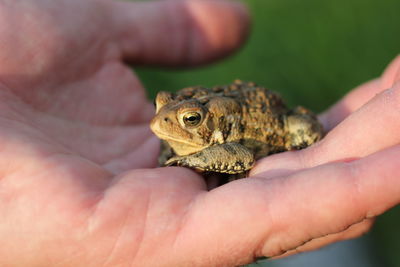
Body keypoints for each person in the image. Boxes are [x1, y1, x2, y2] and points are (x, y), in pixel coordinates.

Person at [0, 0, 398, 266]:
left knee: (308, 137)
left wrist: (189, 158)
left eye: (189, 121)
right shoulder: (174, 123)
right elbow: (173, 136)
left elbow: (241, 156)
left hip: (272, 120)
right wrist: (179, 149)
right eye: (163, 110)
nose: (166, 123)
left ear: (207, 125)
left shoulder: (224, 134)